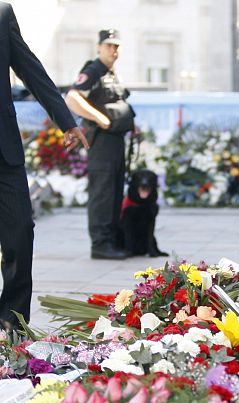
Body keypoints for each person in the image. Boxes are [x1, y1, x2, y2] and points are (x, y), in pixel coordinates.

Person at [0, 2, 89, 332]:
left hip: (4, 150)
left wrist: (66, 121)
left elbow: (31, 70)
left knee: (20, 234)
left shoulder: (2, 13)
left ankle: (11, 324)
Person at [66, 29, 135, 260]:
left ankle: (111, 240)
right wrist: (99, 118)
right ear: (99, 47)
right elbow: (72, 98)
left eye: (116, 46)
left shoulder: (111, 72)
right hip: (102, 142)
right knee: (103, 193)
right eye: (108, 45)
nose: (113, 50)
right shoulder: (93, 70)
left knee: (114, 191)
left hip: (115, 141)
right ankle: (100, 244)